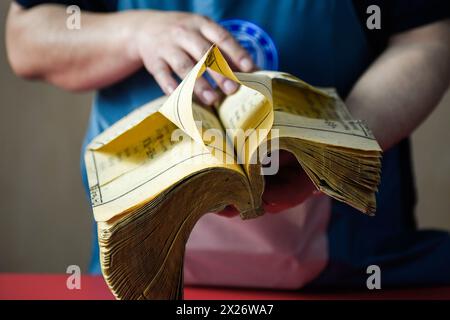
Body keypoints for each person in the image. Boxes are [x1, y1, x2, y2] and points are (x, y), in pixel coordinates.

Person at [6, 0, 450, 289]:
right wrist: (133, 33)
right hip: (145, 261)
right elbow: (25, 37)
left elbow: (427, 39)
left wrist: (332, 148)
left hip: (350, 264)